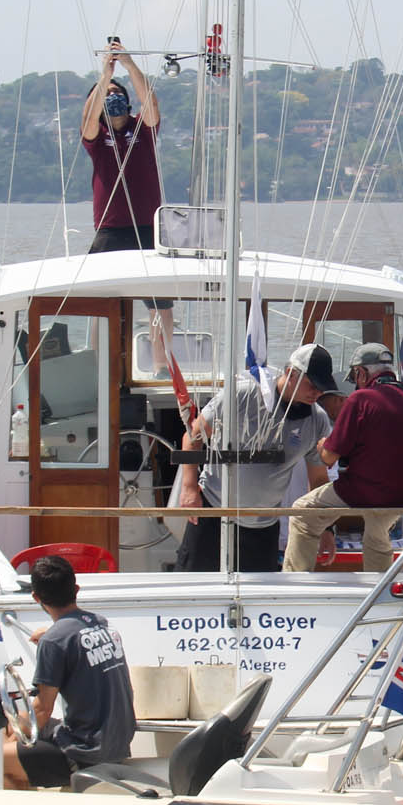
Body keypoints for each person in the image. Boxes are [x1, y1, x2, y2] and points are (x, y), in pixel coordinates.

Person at [174, 343, 334, 573]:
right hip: (213, 513)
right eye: (312, 385)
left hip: (264, 526)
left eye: (322, 388)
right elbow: (193, 437)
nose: (317, 393)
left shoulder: (317, 421)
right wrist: (189, 488)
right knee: (194, 588)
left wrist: (325, 528)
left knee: (259, 593)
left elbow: (318, 480)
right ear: (290, 373)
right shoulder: (241, 395)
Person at [282, 343, 403, 574]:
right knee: (376, 533)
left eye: (355, 377)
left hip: (364, 491)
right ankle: (378, 584)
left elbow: (328, 458)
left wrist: (322, 446)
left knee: (302, 513)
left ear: (361, 373)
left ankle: (295, 580)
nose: (355, 383)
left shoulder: (361, 399)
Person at [4, 554, 136, 789]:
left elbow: (43, 710)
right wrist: (50, 633)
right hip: (116, 745)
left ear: (36, 597)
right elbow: (75, 636)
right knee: (13, 723)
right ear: (75, 589)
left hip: (83, 754)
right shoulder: (101, 623)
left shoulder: (54, 642)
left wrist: (13, 742)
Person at [79, 37, 172, 350]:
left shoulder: (142, 129)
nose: (113, 96)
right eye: (106, 94)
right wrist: (105, 75)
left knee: (160, 302)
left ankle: (162, 364)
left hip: (148, 227)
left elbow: (152, 106)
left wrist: (128, 65)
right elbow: (88, 120)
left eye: (117, 92)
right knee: (99, 299)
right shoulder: (96, 136)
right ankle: (98, 360)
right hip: (111, 229)